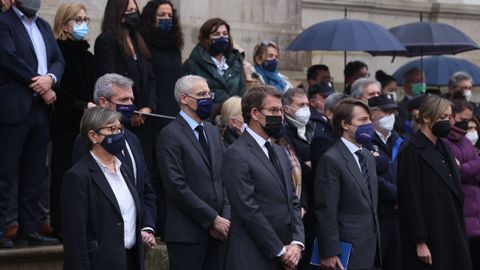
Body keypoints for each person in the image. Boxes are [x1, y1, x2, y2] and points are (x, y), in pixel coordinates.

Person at [0, 0, 64, 247]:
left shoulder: (45, 27)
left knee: (35, 171)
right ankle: (3, 227)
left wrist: (51, 78)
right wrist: (39, 83)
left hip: (40, 110)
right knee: (5, 172)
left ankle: (29, 228)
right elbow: (8, 58)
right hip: (14, 108)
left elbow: (58, 59)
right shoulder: (5, 23)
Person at [222, 85, 304, 270]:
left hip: (287, 253)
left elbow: (293, 201)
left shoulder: (279, 151)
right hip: (252, 256)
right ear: (255, 113)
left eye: (281, 110)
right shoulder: (236, 153)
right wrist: (280, 251)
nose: (280, 116)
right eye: (273, 110)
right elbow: (248, 209)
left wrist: (297, 242)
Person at [71, 73, 157, 249]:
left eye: (131, 100)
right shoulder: (87, 141)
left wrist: (147, 227)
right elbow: (83, 198)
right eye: (124, 100)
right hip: (105, 248)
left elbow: (145, 189)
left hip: (135, 246)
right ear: (103, 102)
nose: (130, 105)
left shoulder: (132, 140)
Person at [157, 75, 230, 270]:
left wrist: (224, 218)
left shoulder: (212, 131)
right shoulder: (170, 134)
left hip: (220, 232)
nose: (207, 98)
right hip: (187, 235)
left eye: (209, 93)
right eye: (201, 94)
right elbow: (176, 186)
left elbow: (225, 177)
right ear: (183, 98)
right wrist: (212, 219)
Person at [62, 107, 145, 270]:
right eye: (111, 129)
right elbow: (75, 238)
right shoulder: (78, 176)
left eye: (119, 128)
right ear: (93, 136)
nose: (118, 134)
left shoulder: (124, 169)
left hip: (130, 260)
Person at [397, 95, 472, 270]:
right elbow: (410, 199)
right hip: (431, 234)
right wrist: (420, 241)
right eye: (443, 117)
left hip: (451, 228)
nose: (448, 122)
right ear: (426, 118)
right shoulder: (411, 151)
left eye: (449, 117)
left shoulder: (443, 146)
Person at [314, 98, 380, 270]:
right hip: (345, 249)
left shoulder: (367, 156)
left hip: (371, 247)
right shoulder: (331, 159)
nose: (369, 124)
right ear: (345, 124)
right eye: (363, 120)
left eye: (369, 119)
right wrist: (329, 251)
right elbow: (326, 209)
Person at [49, 2, 96, 237]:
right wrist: (80, 105)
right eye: (77, 20)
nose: (82, 24)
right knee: (63, 175)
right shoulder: (57, 50)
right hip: (65, 124)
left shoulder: (87, 55)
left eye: (85, 20)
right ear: (64, 24)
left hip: (87, 127)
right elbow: (56, 89)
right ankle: (60, 224)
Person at [95, 0, 156, 172]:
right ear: (117, 12)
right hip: (122, 119)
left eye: (134, 9)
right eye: (128, 10)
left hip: (144, 119)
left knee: (145, 170)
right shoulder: (106, 41)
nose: (133, 13)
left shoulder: (139, 41)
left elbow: (151, 78)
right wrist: (133, 110)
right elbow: (110, 80)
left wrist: (148, 107)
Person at [441, 98, 480, 270]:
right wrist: (474, 165)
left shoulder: (465, 140)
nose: (466, 125)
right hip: (462, 209)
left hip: (475, 207)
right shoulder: (445, 141)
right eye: (463, 120)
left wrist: (468, 167)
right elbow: (457, 172)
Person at [367, 95, 404, 270]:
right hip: (378, 213)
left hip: (399, 215)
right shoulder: (366, 140)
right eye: (386, 111)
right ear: (373, 114)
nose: (391, 116)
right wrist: (397, 195)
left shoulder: (400, 140)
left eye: (393, 112)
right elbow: (372, 176)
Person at [182, 18, 245, 107]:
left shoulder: (235, 61)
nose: (222, 37)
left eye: (225, 34)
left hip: (233, 117)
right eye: (216, 34)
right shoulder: (192, 64)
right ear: (207, 39)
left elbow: (242, 93)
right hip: (207, 118)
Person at [139, 0, 182, 131]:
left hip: (175, 109)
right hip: (154, 112)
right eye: (161, 15)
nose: (166, 18)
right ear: (151, 18)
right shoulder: (143, 44)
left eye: (169, 15)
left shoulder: (174, 45)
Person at [395, 68, 425, 136]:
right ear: (406, 83)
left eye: (423, 81)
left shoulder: (428, 103)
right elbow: (401, 128)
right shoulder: (400, 107)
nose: (422, 84)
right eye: (418, 81)